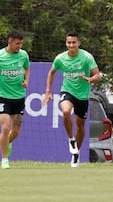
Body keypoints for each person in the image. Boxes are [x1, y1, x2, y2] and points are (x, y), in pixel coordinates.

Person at [42, 32, 101, 168]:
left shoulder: (86, 57)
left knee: (80, 126)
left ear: (78, 43)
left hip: (82, 96)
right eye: (69, 43)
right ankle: (71, 140)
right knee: (66, 111)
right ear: (66, 43)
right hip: (67, 91)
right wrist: (48, 92)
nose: (71, 45)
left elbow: (98, 75)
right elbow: (51, 72)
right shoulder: (60, 58)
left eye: (74, 42)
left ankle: (76, 154)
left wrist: (90, 79)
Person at [0, 30, 30, 169]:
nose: (19, 46)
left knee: (15, 132)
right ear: (9, 42)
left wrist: (26, 80)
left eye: (21, 43)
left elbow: (27, 68)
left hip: (19, 97)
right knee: (5, 127)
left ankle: (8, 142)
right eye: (17, 43)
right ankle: (4, 160)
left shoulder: (23, 55)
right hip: (3, 97)